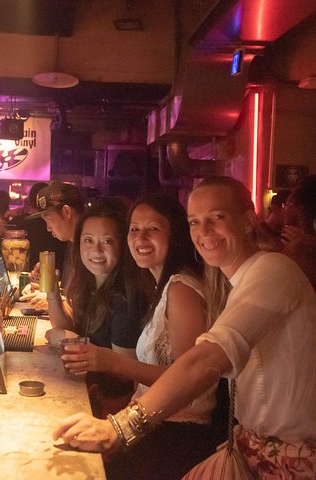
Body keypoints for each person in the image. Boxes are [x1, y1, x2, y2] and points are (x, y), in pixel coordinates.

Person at [54, 176, 316, 479]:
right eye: (195, 222)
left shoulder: (274, 270)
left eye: (216, 217)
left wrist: (120, 428)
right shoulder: (234, 284)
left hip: (295, 459)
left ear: (248, 221)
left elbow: (206, 360)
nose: (204, 231)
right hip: (250, 449)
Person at [61, 193, 226, 480]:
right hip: (154, 425)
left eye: (153, 229)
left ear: (175, 234)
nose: (140, 238)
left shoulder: (181, 290)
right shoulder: (161, 286)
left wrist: (110, 362)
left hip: (176, 439)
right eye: (134, 229)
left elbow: (190, 381)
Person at [46, 199, 145, 419]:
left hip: (111, 412)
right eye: (88, 240)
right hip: (87, 393)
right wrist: (51, 289)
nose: (96, 250)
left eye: (107, 241)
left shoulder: (124, 300)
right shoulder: (92, 286)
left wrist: (75, 343)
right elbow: (63, 325)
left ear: (122, 245)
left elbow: (125, 375)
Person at [22, 182, 84, 309]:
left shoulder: (89, 251)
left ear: (66, 211)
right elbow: (73, 294)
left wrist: (52, 300)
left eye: (49, 220)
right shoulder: (72, 244)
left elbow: (88, 308)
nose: (48, 228)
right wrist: (49, 288)